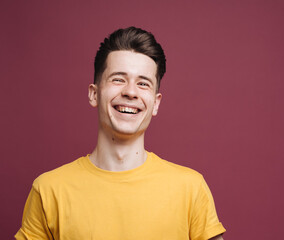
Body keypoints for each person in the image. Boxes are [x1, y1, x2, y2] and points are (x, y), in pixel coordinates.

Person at [15, 26, 226, 240]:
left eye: (143, 83)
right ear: (94, 94)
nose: (130, 92)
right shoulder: (49, 191)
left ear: (156, 103)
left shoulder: (191, 189)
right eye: (118, 79)